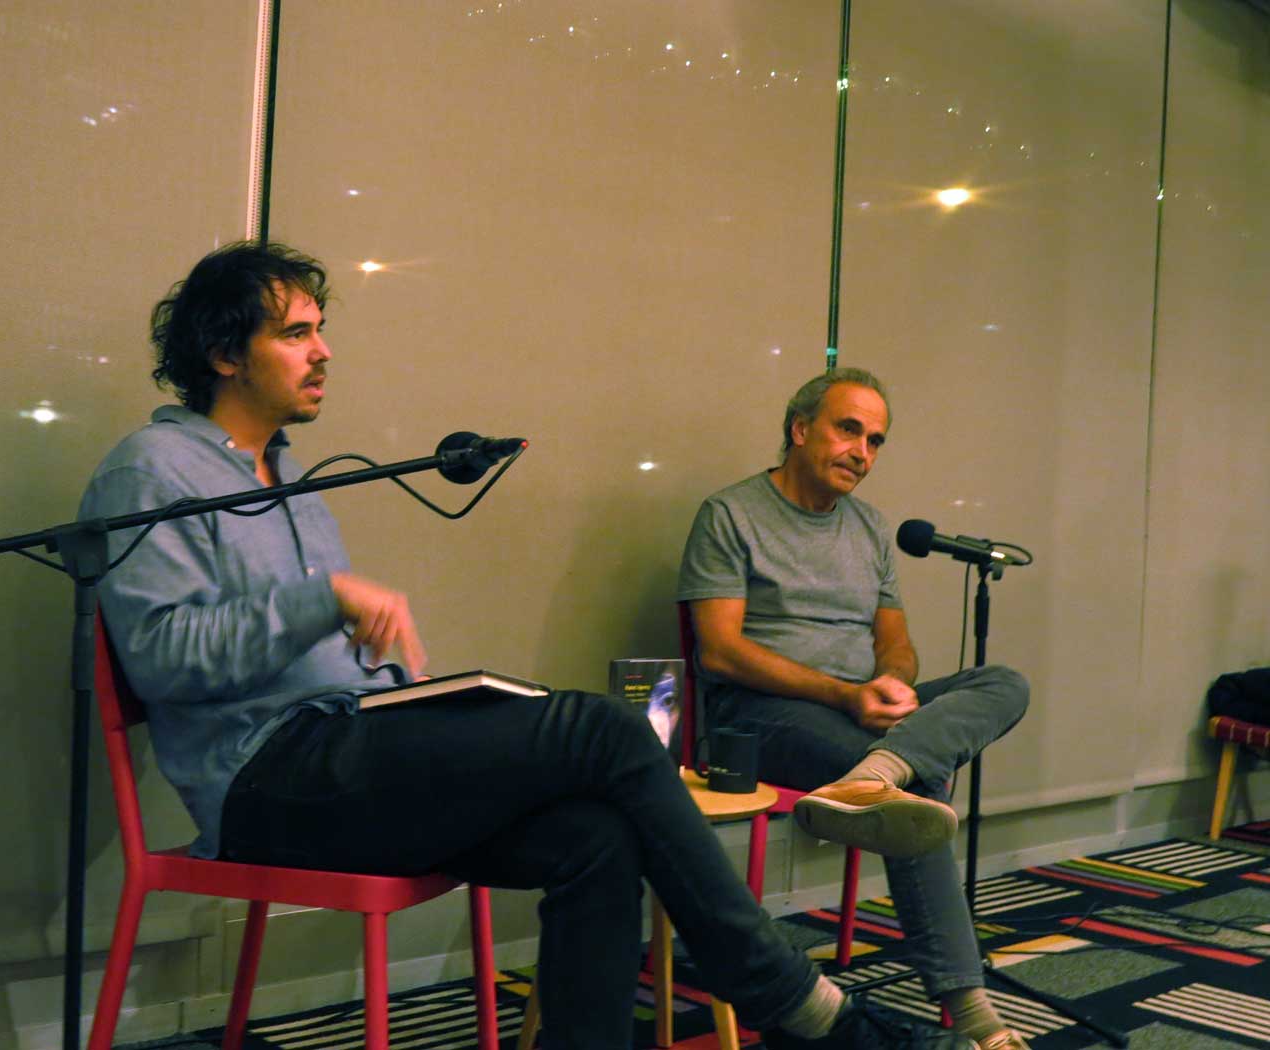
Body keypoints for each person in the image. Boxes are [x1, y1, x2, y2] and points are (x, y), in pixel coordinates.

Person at [80, 242, 977, 1050]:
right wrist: (321, 601)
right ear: (224, 353)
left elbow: (314, 637)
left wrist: (402, 686)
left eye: (320, 331)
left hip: (349, 745)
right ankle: (789, 995)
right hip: (267, 781)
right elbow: (162, 656)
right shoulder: (152, 470)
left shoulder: (292, 475)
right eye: (296, 333)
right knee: (604, 731)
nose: (324, 351)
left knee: (594, 836)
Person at [678, 368, 1033, 1050]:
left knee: (1003, 681)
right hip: (762, 717)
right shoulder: (729, 513)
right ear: (800, 428)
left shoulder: (871, 528)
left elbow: (896, 645)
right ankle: (975, 1012)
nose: (862, 452)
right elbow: (719, 653)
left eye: (875, 440)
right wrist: (846, 694)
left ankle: (884, 767)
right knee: (921, 788)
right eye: (849, 430)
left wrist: (894, 686)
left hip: (856, 714)